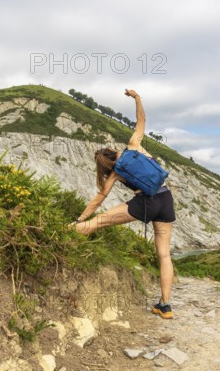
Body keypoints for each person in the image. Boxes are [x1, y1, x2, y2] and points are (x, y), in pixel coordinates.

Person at [69, 89, 176, 319]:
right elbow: (141, 120)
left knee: (96, 223)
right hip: (165, 199)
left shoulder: (114, 173)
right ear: (114, 150)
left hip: (144, 204)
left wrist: (80, 217)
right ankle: (165, 306)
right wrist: (137, 98)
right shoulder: (134, 145)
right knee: (164, 255)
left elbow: (99, 199)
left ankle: (65, 237)